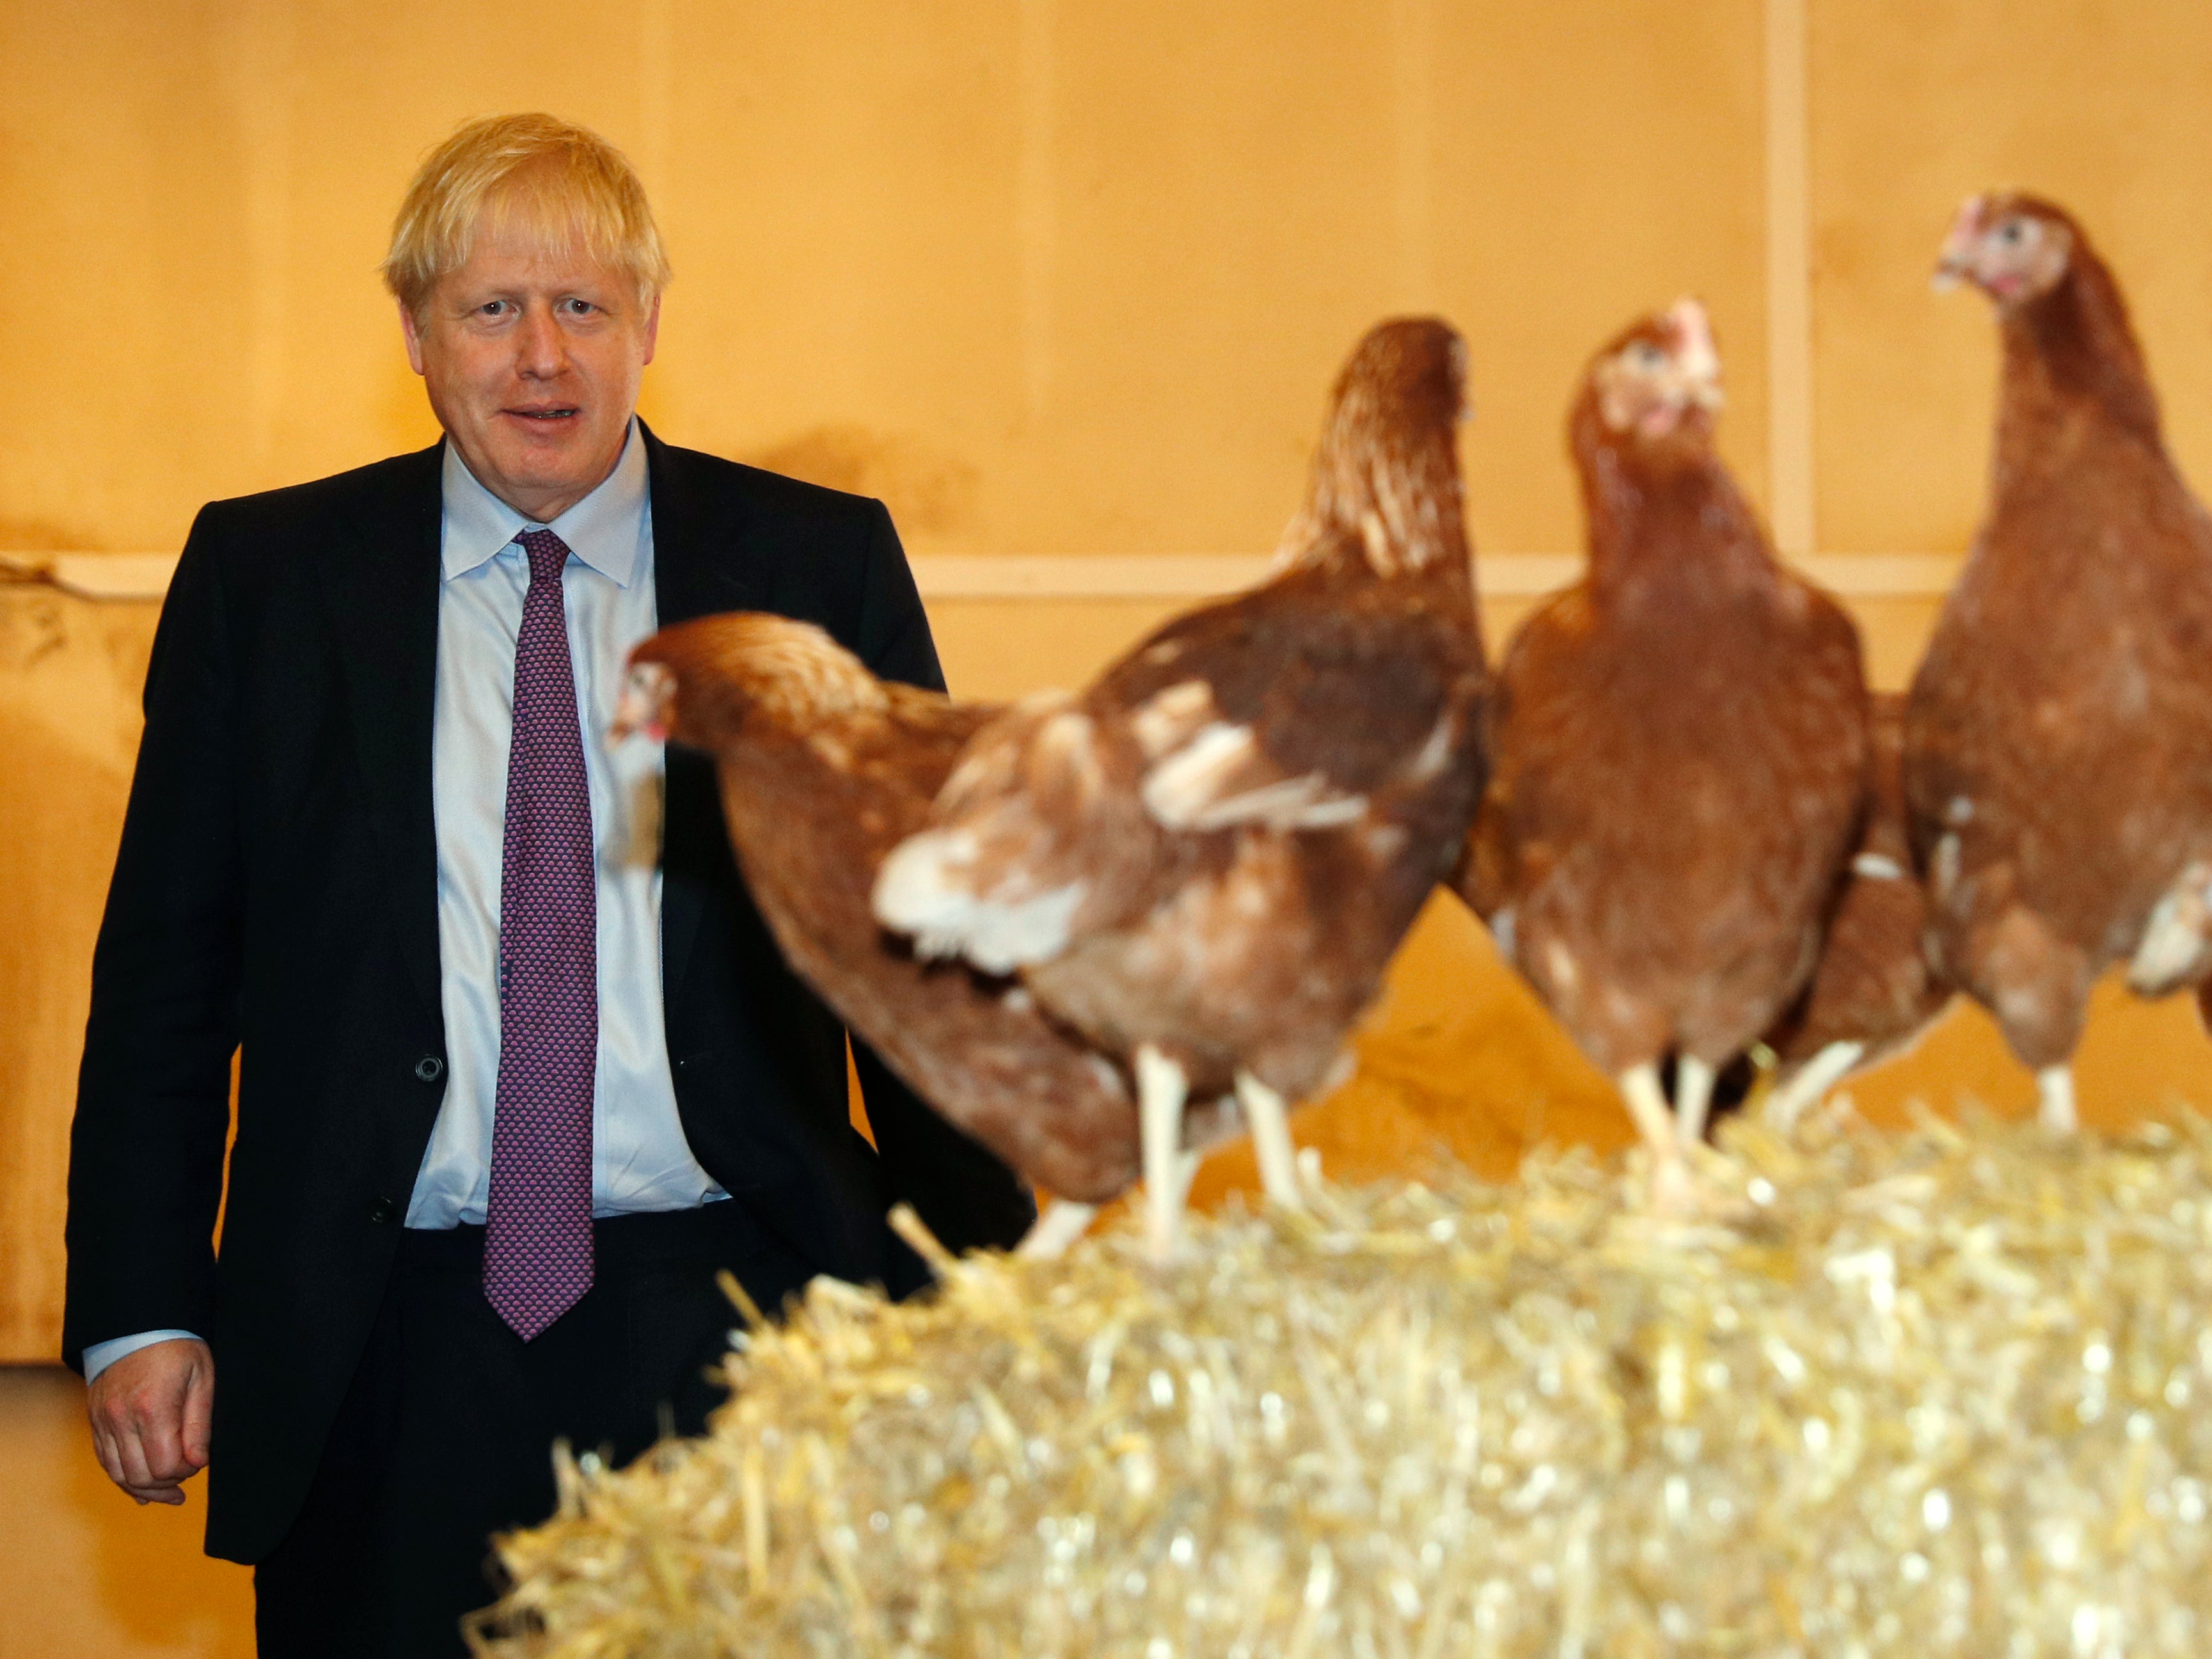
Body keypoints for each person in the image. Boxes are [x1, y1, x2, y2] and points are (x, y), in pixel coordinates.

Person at [64, 111, 1035, 1656]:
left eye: (583, 306)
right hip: (375, 1343)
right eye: (491, 309)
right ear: (414, 332)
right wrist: (142, 1302)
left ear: (650, 323)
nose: (541, 358)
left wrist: (997, 1296)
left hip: (752, 1315)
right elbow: (170, 978)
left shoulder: (811, 564)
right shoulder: (269, 580)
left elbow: (921, 954)